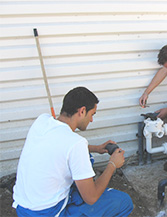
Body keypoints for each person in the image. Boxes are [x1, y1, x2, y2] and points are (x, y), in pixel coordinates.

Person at [13, 87, 133, 217]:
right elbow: (91, 198)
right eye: (92, 114)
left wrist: (97, 148)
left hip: (23, 208)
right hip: (48, 212)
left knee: (87, 157)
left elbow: (61, 146)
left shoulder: (42, 121)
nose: (91, 120)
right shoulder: (76, 143)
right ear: (82, 111)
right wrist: (112, 165)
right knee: (124, 202)